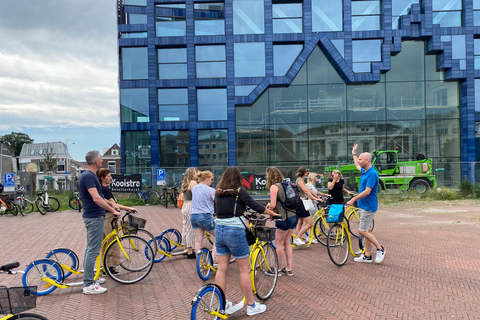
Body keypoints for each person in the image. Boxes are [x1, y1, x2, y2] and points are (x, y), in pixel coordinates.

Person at [214, 166, 278, 316]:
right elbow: (257, 207)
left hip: (219, 230)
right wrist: (272, 213)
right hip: (234, 231)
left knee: (222, 269)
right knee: (244, 269)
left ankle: (221, 304)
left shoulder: (218, 192)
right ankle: (251, 305)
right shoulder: (239, 191)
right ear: (238, 178)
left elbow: (219, 210)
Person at [78, 150, 119, 294]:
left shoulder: (89, 176)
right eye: (101, 159)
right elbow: (96, 198)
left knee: (91, 249)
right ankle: (88, 284)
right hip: (94, 217)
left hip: (94, 216)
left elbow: (100, 197)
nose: (102, 160)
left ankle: (90, 278)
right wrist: (113, 210)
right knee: (93, 250)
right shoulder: (89, 176)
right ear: (96, 161)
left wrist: (112, 206)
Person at [347, 144, 386, 263]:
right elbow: (356, 164)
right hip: (363, 206)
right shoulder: (365, 170)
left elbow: (367, 191)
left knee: (362, 231)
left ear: (367, 160)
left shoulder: (372, 174)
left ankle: (380, 249)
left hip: (369, 207)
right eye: (358, 159)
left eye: (360, 159)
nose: (358, 161)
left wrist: (353, 199)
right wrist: (354, 153)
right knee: (367, 231)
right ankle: (367, 255)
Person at [96, 168, 137, 275]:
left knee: (105, 243)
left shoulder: (99, 189)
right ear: (102, 178)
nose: (111, 178)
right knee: (113, 243)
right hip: (110, 218)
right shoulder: (105, 190)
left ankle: (105, 266)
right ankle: (110, 267)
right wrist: (129, 208)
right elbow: (115, 205)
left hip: (103, 218)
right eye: (109, 176)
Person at [266, 166, 296, 276]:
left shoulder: (274, 187)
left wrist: (268, 205)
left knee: (278, 243)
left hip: (283, 217)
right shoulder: (287, 184)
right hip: (293, 216)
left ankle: (278, 270)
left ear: (270, 175)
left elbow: (273, 204)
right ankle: (289, 269)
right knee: (287, 243)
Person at [190, 170, 216, 261]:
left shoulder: (195, 188)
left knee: (198, 240)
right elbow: (218, 201)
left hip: (194, 216)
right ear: (207, 178)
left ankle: (200, 262)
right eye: (212, 179)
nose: (212, 181)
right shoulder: (210, 190)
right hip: (205, 216)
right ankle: (212, 260)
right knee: (219, 236)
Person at [294, 166, 322, 246]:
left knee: (300, 221)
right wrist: (315, 199)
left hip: (300, 202)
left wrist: (317, 197)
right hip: (302, 203)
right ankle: (297, 238)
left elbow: (309, 190)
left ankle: (298, 238)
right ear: (304, 173)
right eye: (307, 171)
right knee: (309, 224)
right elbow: (306, 191)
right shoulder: (299, 180)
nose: (307, 173)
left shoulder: (301, 180)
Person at [180, 167, 198, 259]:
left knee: (186, 227)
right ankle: (190, 252)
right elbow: (196, 196)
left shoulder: (185, 183)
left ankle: (185, 247)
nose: (197, 174)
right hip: (191, 205)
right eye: (195, 172)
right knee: (191, 228)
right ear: (192, 174)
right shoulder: (193, 183)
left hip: (185, 205)